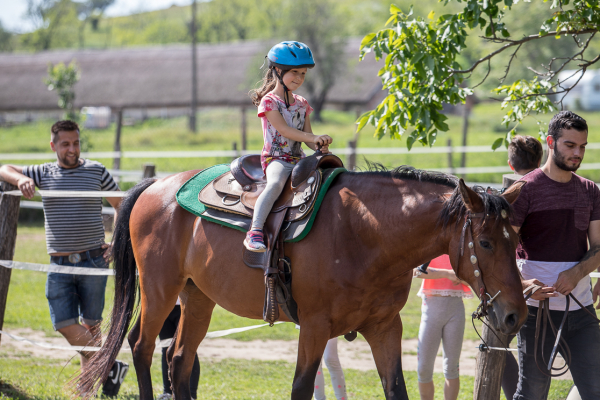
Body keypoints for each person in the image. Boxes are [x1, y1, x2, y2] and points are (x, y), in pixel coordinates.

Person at [0, 120, 127, 397]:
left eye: (76, 143)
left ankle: (87, 389)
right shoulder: (43, 172)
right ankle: (109, 364)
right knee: (63, 323)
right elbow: (4, 169)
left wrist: (117, 241)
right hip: (58, 263)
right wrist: (21, 179)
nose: (72, 149)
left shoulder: (96, 170)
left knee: (92, 325)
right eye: (66, 144)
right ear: (53, 145)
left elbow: (121, 205)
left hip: (95, 260)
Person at [510, 111, 600, 400]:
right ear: (551, 142)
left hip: (582, 311)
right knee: (533, 393)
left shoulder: (590, 192)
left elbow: (598, 247)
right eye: (570, 145)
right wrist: (522, 285)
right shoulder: (524, 190)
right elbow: (499, 251)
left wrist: (576, 273)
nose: (578, 153)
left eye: (583, 146)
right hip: (536, 314)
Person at [244, 41, 333, 252]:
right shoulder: (269, 102)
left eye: (303, 73)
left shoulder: (302, 103)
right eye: (294, 72)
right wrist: (312, 137)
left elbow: (307, 137)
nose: (299, 78)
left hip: (299, 159)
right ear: (277, 70)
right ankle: (255, 231)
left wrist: (319, 145)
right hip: (276, 159)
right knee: (275, 184)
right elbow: (284, 130)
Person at [501, 134, 543, 400]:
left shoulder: (511, 194)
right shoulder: (550, 187)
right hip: (550, 277)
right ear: (539, 161)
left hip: (518, 280)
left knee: (496, 344)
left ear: (510, 164)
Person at [413, 255, 472, 400]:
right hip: (431, 309)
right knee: (423, 369)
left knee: (452, 368)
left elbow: (472, 278)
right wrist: (448, 274)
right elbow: (417, 271)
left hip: (455, 310)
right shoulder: (431, 245)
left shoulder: (461, 249)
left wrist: (462, 277)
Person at [157, 299, 201, 400]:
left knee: (188, 350)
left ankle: (191, 394)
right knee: (166, 349)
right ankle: (167, 392)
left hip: (186, 305)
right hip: (163, 304)